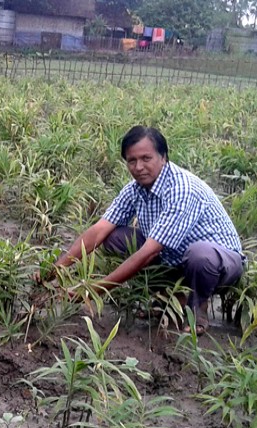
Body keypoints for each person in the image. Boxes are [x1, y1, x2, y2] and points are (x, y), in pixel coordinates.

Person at [37, 125, 244, 333]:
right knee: (113, 238)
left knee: (200, 255)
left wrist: (92, 290)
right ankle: (166, 298)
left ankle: (196, 308)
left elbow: (149, 252)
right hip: (175, 258)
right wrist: (55, 270)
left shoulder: (182, 189)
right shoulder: (134, 189)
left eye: (146, 158)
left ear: (163, 157)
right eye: (132, 160)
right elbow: (99, 230)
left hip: (220, 263)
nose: (139, 167)